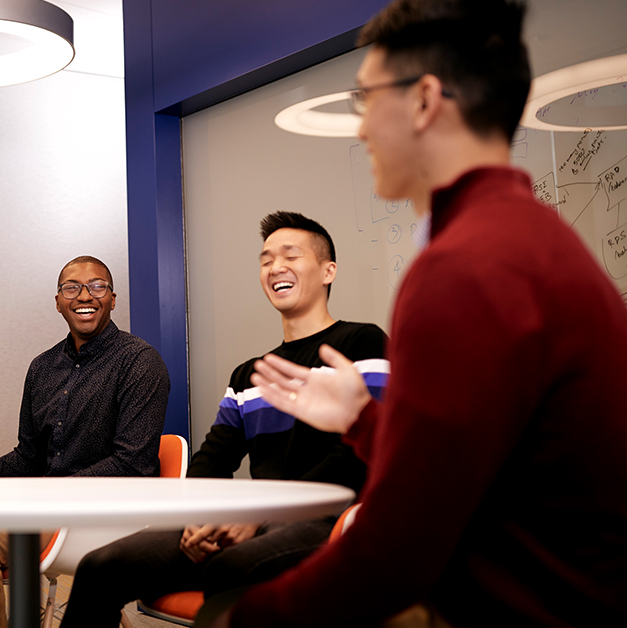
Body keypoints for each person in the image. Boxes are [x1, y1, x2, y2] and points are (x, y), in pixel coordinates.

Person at [212, 1, 627, 626]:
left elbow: (399, 548)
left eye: (367, 98)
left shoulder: (465, 266)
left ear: (425, 100)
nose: (360, 129)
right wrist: (362, 418)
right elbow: (461, 468)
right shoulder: (528, 237)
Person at [59, 212, 388, 628]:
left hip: (334, 520)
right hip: (258, 520)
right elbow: (212, 459)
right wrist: (200, 517)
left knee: (231, 568)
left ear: (328, 271)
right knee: (100, 566)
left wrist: (260, 515)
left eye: (291, 256)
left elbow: (358, 457)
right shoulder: (249, 374)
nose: (276, 267)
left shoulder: (361, 343)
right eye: (266, 260)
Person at [0, 255, 170, 628]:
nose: (84, 296)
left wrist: (47, 493)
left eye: (97, 286)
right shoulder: (42, 367)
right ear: (58, 302)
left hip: (101, 514)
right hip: (44, 504)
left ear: (112, 298)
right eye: (71, 288)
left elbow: (132, 464)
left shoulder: (140, 362)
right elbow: (27, 458)